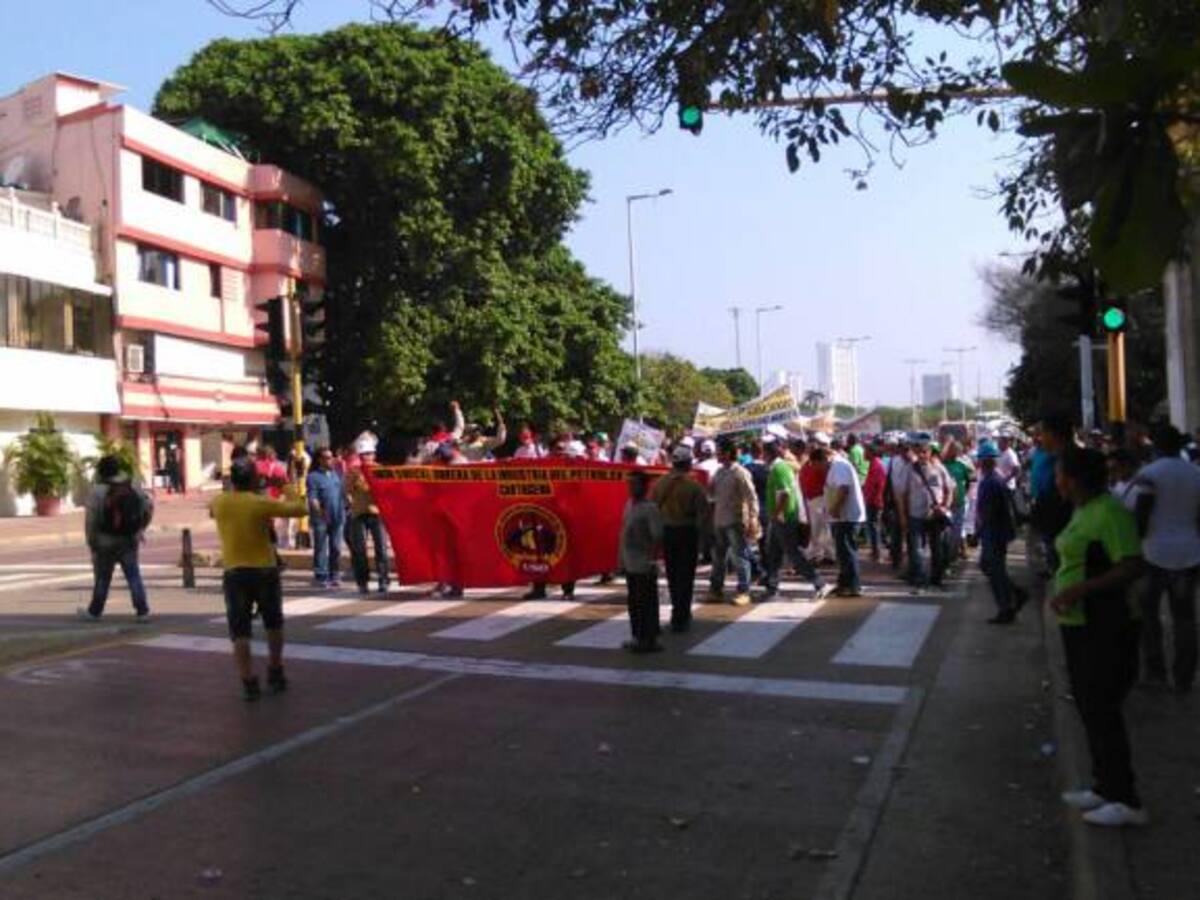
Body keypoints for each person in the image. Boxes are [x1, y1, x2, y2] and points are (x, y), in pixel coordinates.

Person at [1051, 448, 1148, 827]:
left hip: (1107, 623)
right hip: (1079, 623)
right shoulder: (1083, 510)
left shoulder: (1110, 513)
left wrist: (1081, 590)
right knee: (1090, 705)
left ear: (1073, 479)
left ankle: (1126, 798)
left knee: (1103, 707)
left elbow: (1132, 565)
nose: (1055, 479)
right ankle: (1104, 785)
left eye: (1059, 473)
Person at [210, 456, 309, 701]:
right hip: (264, 571)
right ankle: (275, 670)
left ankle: (248, 681)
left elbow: (219, 508)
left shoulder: (219, 502)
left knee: (240, 631)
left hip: (234, 573)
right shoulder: (260, 503)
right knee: (273, 623)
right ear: (254, 479)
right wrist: (285, 484)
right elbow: (299, 509)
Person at [1133, 425, 1200, 692]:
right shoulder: (1195, 474)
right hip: (1189, 553)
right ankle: (1184, 677)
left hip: (1154, 553)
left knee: (1149, 617)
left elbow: (1142, 516)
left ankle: (1155, 672)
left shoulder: (1150, 474)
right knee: (1184, 619)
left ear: (1157, 446)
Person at [79, 456, 154, 622]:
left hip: (105, 541)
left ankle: (95, 611)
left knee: (103, 578)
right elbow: (148, 507)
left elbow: (91, 520)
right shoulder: (132, 485)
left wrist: (91, 541)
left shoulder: (96, 491)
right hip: (128, 539)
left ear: (100, 472)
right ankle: (142, 611)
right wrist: (140, 528)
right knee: (133, 575)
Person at [762, 439, 831, 601]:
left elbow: (784, 493)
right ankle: (772, 587)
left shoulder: (780, 468)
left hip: (784, 518)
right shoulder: (778, 468)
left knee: (793, 554)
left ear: (768, 454)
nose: (762, 456)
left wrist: (776, 513)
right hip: (779, 517)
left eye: (763, 453)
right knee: (773, 554)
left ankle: (820, 583)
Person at [651, 444, 709, 630]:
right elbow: (703, 515)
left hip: (667, 533)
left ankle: (678, 611)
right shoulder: (694, 487)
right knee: (686, 576)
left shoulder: (659, 484)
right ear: (688, 463)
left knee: (673, 575)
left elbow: (653, 509)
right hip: (687, 533)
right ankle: (681, 615)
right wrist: (702, 542)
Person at [975, 441, 1026, 624]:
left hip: (994, 533)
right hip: (996, 532)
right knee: (989, 567)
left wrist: (978, 531)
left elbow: (988, 513)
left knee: (994, 570)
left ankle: (1006, 607)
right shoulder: (993, 478)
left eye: (980, 460)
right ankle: (1014, 594)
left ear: (985, 461)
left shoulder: (991, 481)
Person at [705, 440, 759, 607]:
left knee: (739, 557)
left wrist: (753, 518)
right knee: (718, 558)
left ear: (728, 453)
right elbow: (711, 493)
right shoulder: (719, 472)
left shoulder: (740, 473)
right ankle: (716, 590)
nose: (717, 455)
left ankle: (744, 591)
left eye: (720, 451)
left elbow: (751, 497)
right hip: (719, 520)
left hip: (735, 521)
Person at [898, 437, 955, 589]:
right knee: (917, 549)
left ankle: (936, 579)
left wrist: (945, 507)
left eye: (925, 452)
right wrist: (903, 517)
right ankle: (920, 579)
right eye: (920, 452)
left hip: (935, 516)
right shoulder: (909, 469)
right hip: (916, 515)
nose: (922, 455)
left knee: (937, 549)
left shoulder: (939, 468)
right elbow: (902, 495)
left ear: (930, 453)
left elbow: (949, 490)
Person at [813, 445, 867, 596]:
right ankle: (844, 583)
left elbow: (844, 489)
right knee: (842, 552)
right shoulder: (835, 466)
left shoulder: (839, 466)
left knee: (848, 551)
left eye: (818, 466)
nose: (818, 470)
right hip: (841, 517)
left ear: (824, 459)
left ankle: (854, 585)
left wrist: (836, 508)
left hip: (847, 516)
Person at [620, 470, 664, 654]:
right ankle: (637, 636)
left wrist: (653, 561)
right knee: (634, 603)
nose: (631, 487)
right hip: (630, 561)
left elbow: (658, 537)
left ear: (644, 486)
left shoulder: (650, 508)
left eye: (635, 484)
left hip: (644, 562)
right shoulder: (629, 504)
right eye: (629, 484)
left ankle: (649, 639)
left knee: (646, 601)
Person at [345, 432, 390, 595]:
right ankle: (362, 582)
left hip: (376, 513)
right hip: (358, 513)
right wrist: (356, 480)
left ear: (374, 454)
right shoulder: (353, 471)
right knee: (359, 550)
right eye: (363, 455)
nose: (366, 457)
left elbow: (388, 491)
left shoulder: (380, 470)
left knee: (381, 548)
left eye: (369, 454)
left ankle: (383, 580)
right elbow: (347, 491)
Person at [306, 447, 346, 589]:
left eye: (332, 456)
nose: (331, 459)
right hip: (321, 518)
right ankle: (321, 575)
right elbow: (313, 498)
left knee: (336, 547)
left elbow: (342, 493)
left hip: (338, 516)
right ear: (320, 460)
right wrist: (320, 511)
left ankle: (334, 574)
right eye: (328, 457)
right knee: (321, 547)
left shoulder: (336, 474)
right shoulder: (313, 477)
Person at [942, 441, 975, 562]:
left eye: (957, 450)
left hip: (959, 503)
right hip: (946, 505)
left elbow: (970, 479)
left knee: (957, 532)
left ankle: (953, 556)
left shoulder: (962, 465)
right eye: (953, 450)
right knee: (946, 533)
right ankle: (946, 556)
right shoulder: (943, 465)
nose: (955, 452)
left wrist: (964, 493)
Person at [862, 442, 887, 562]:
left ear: (871, 453)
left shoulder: (877, 465)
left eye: (866, 451)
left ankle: (877, 554)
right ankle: (875, 552)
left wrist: (877, 500)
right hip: (871, 500)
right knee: (872, 527)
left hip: (875, 502)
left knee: (875, 527)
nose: (863, 453)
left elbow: (880, 485)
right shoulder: (873, 464)